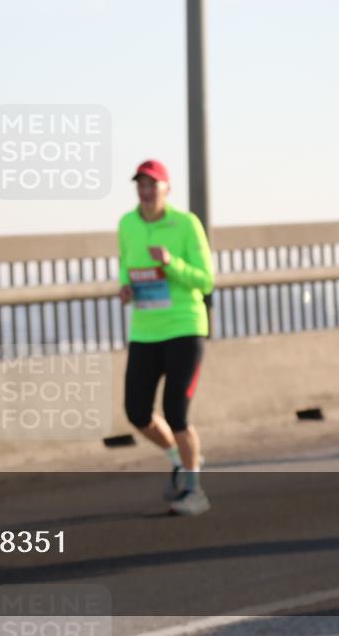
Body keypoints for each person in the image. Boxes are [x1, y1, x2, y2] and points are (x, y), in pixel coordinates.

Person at [118, 159, 215, 516]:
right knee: (136, 411)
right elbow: (124, 264)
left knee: (176, 412)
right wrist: (124, 287)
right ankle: (178, 457)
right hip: (145, 329)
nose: (145, 191)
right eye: (140, 185)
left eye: (152, 185)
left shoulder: (186, 224)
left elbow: (206, 280)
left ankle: (194, 491)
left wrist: (172, 263)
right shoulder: (127, 224)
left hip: (184, 328)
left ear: (166, 189)